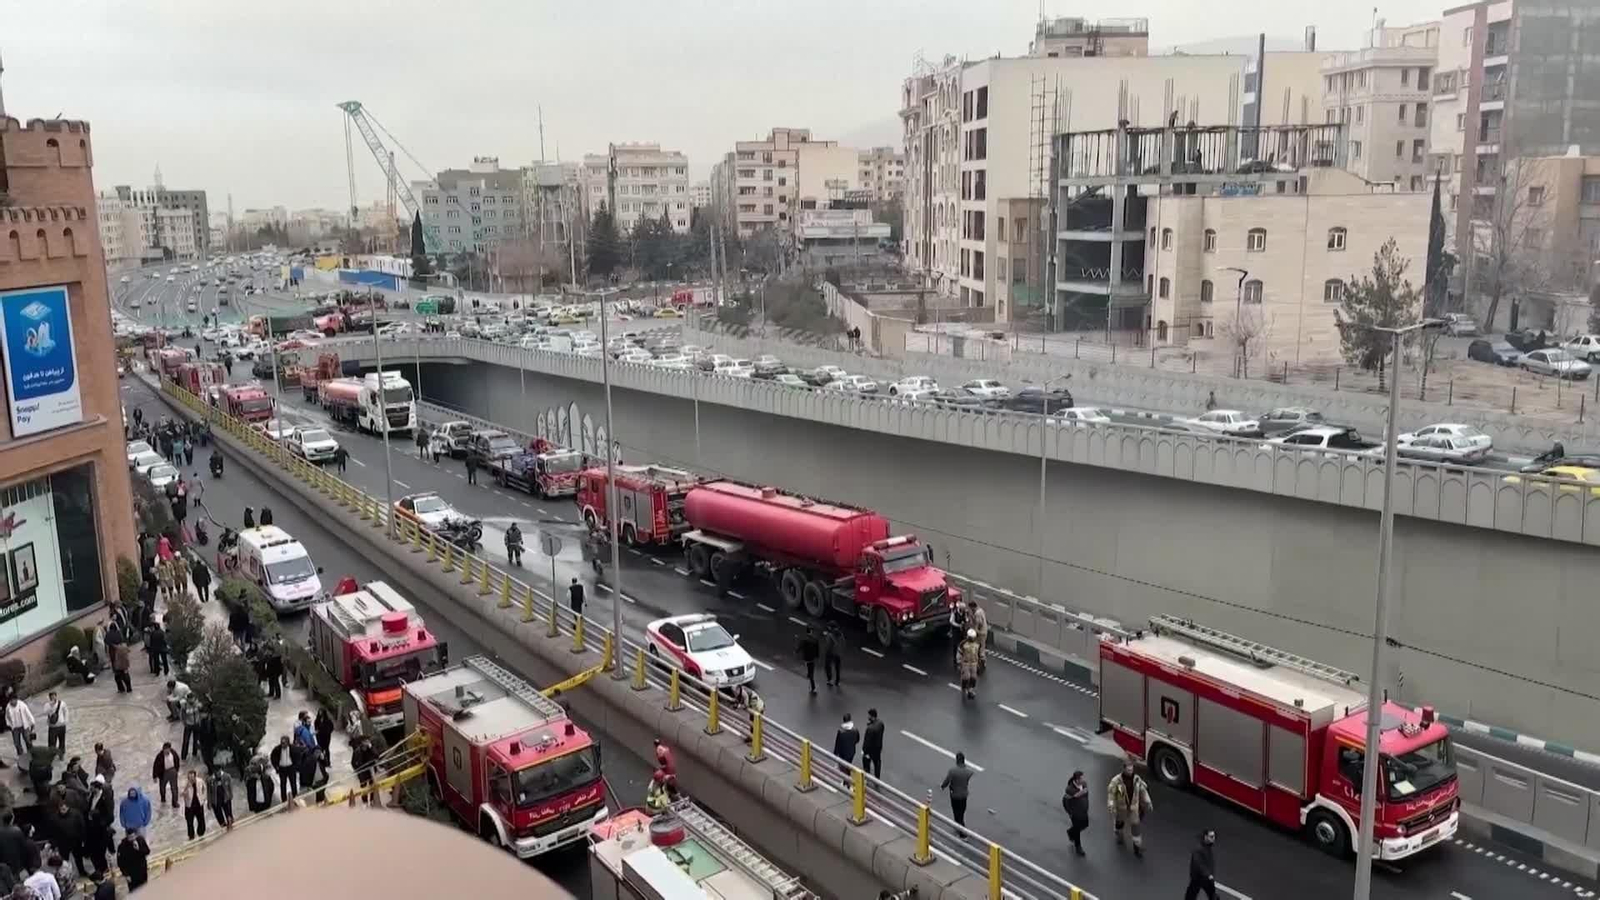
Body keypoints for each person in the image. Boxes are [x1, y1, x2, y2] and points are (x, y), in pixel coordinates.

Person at [1107, 761, 1153, 858]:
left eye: (1132, 769)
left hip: (1133, 809)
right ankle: (1119, 837)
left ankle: (1137, 848)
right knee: (1119, 824)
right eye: (1128, 770)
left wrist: (1148, 802)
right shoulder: (1116, 781)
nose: (1130, 771)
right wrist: (1111, 805)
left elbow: (1143, 791)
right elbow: (1111, 794)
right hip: (1121, 808)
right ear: (1124, 769)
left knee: (1136, 828)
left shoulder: (1137, 779)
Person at [45, 797, 89, 880]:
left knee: (78, 858)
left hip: (76, 842)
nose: (63, 810)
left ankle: (82, 871)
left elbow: (82, 826)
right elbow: (52, 832)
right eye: (61, 809)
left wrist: (83, 839)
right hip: (63, 844)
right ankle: (66, 874)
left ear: (68, 807)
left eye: (64, 808)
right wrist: (53, 844)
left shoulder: (76, 814)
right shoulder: (54, 818)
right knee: (64, 860)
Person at [940, 752, 974, 837]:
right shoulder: (968, 772)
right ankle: (959, 827)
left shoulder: (952, 771)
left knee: (956, 813)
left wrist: (943, 786)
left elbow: (947, 781)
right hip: (963, 796)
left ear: (957, 760)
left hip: (954, 796)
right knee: (961, 813)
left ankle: (963, 834)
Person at [1062, 771, 1090, 856]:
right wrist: (1070, 812)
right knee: (1077, 829)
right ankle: (1078, 847)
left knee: (1085, 824)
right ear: (1076, 779)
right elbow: (1067, 799)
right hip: (1075, 812)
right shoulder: (1069, 789)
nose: (1082, 780)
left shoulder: (1084, 784)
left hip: (1083, 810)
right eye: (1080, 778)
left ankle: (1071, 832)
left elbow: (1085, 795)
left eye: (1082, 778)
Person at [1186, 829, 1218, 900]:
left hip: (1205, 878)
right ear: (1206, 837)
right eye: (1211, 837)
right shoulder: (1198, 849)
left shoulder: (1208, 846)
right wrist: (1208, 874)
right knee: (1191, 895)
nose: (1214, 839)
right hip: (1199, 878)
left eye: (1214, 836)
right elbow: (1199, 863)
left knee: (1213, 896)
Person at [5, 695, 34, 767]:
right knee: (16, 743)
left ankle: (32, 754)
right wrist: (10, 725)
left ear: (16, 700)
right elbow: (7, 717)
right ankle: (21, 756)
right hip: (15, 728)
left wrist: (32, 722)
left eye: (13, 700)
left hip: (24, 726)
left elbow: (28, 713)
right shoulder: (8, 707)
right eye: (11, 701)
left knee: (28, 740)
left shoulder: (22, 705)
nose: (12, 702)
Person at [832, 713, 859, 785]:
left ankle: (846, 782)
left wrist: (835, 754)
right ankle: (847, 781)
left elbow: (837, 744)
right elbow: (857, 740)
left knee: (843, 768)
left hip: (843, 753)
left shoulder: (841, 731)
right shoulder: (855, 730)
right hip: (852, 752)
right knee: (848, 766)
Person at [151, 743, 180, 810]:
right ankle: (163, 797)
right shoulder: (159, 756)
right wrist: (155, 776)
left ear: (170, 749)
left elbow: (177, 760)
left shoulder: (173, 753)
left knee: (174, 788)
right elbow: (155, 766)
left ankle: (175, 802)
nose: (166, 751)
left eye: (167, 749)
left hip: (172, 771)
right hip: (163, 773)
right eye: (165, 749)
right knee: (162, 787)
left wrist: (176, 770)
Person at [351, 736, 379, 805]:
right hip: (362, 772)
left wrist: (371, 747)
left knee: (372, 785)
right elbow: (353, 762)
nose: (367, 742)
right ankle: (365, 802)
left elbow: (376, 755)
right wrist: (357, 770)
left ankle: (372, 800)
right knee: (363, 787)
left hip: (371, 771)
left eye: (368, 741)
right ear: (362, 743)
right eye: (365, 741)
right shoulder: (357, 751)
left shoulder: (371, 749)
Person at [182, 771, 207, 840]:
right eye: (190, 778)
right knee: (189, 822)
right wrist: (186, 787)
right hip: (189, 806)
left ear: (195, 776)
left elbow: (204, 788)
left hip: (199, 803)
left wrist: (203, 797)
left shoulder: (200, 781)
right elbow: (181, 794)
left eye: (192, 777)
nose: (191, 779)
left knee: (201, 820)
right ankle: (191, 836)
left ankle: (201, 833)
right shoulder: (185, 784)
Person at [957, 630, 982, 700]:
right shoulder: (963, 644)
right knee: (966, 677)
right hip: (966, 663)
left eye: (973, 637)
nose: (972, 639)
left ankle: (971, 689)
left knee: (973, 677)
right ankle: (964, 687)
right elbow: (959, 653)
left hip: (974, 662)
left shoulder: (978, 644)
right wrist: (959, 662)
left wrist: (980, 662)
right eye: (971, 637)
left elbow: (979, 653)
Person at [862, 708, 885, 778]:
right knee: (877, 763)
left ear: (872, 716)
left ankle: (867, 775)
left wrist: (864, 751)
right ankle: (877, 778)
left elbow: (867, 742)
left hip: (870, 751)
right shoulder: (881, 724)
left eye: (869, 715)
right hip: (878, 748)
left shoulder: (870, 729)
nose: (868, 717)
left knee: (866, 762)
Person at [797, 627, 820, 696]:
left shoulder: (805, 640)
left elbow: (800, 647)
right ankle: (810, 675)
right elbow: (817, 649)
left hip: (806, 658)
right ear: (811, 632)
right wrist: (817, 656)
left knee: (810, 671)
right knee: (811, 668)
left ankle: (813, 687)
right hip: (812, 658)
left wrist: (796, 651)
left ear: (807, 632)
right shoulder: (815, 640)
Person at [314, 710, 335, 782]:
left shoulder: (328, 720)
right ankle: (322, 763)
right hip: (320, 737)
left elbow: (332, 727)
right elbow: (316, 727)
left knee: (327, 749)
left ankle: (328, 762)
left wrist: (328, 732)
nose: (320, 714)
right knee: (321, 750)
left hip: (326, 737)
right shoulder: (317, 720)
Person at [43, 693, 66, 758]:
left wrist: (65, 721)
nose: (53, 698)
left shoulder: (62, 703)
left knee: (62, 741)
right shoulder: (47, 705)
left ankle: (61, 754)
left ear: (56, 696)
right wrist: (51, 706)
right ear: (49, 698)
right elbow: (44, 712)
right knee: (52, 742)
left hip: (61, 726)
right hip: (52, 727)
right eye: (51, 697)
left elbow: (66, 712)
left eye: (54, 696)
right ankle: (51, 755)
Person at [821, 623, 843, 688]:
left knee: (827, 666)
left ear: (830, 627)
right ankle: (837, 681)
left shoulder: (830, 635)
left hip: (830, 653)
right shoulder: (841, 635)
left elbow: (828, 645)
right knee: (837, 668)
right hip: (838, 653)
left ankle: (829, 680)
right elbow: (843, 643)